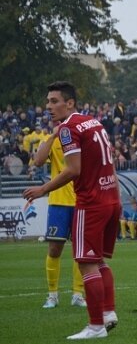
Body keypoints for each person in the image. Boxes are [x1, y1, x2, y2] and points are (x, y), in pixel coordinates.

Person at [23, 81, 122, 340]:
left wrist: (43, 189)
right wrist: (116, 198)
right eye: (47, 102)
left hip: (90, 203)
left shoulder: (69, 128)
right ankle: (109, 313)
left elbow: (74, 169)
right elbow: (109, 164)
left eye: (54, 101)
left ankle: (95, 326)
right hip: (110, 198)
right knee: (99, 260)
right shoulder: (94, 123)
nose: (49, 107)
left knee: (86, 263)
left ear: (70, 103)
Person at [32, 122, 87, 310]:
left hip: (81, 201)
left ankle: (78, 294)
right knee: (54, 249)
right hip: (58, 202)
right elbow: (38, 161)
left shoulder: (81, 139)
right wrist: (52, 136)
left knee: (81, 251)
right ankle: (52, 295)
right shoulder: (52, 140)